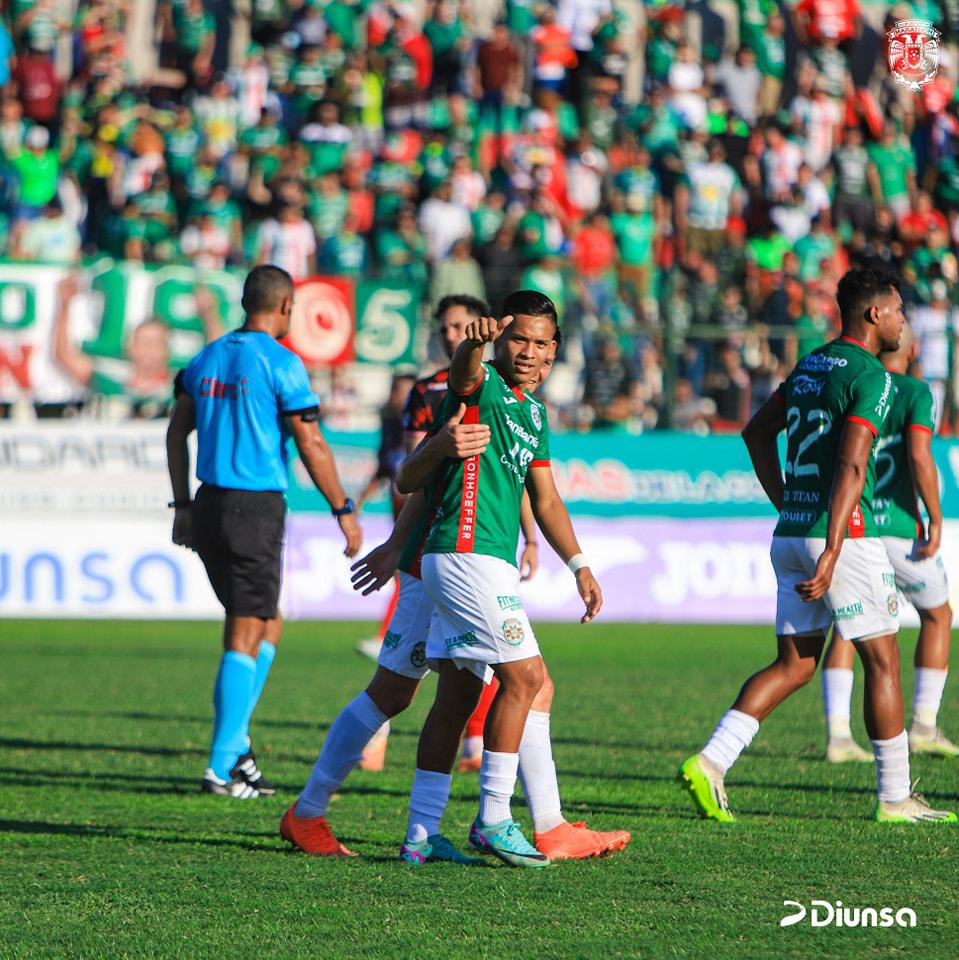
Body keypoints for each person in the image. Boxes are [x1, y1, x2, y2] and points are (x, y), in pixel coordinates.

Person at [678, 268, 957, 824]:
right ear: (873, 314)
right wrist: (832, 545)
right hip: (843, 537)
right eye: (898, 310)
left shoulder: (810, 365)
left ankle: (710, 762)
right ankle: (896, 797)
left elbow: (756, 433)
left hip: (790, 534)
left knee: (795, 664)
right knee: (883, 660)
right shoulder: (871, 375)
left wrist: (789, 505)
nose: (904, 320)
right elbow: (853, 462)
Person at [166, 265, 362, 798]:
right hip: (253, 508)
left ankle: (240, 750)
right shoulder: (282, 362)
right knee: (246, 631)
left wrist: (182, 505)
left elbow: (175, 431)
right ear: (285, 308)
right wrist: (342, 507)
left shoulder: (206, 357)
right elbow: (311, 442)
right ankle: (220, 765)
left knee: (266, 623)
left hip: (208, 503)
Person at [821, 324, 957, 761]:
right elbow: (919, 455)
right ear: (913, 349)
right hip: (897, 528)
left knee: (850, 622)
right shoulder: (914, 392)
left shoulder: (858, 381)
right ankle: (923, 725)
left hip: (856, 524)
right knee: (938, 615)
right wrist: (935, 518)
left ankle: (839, 735)